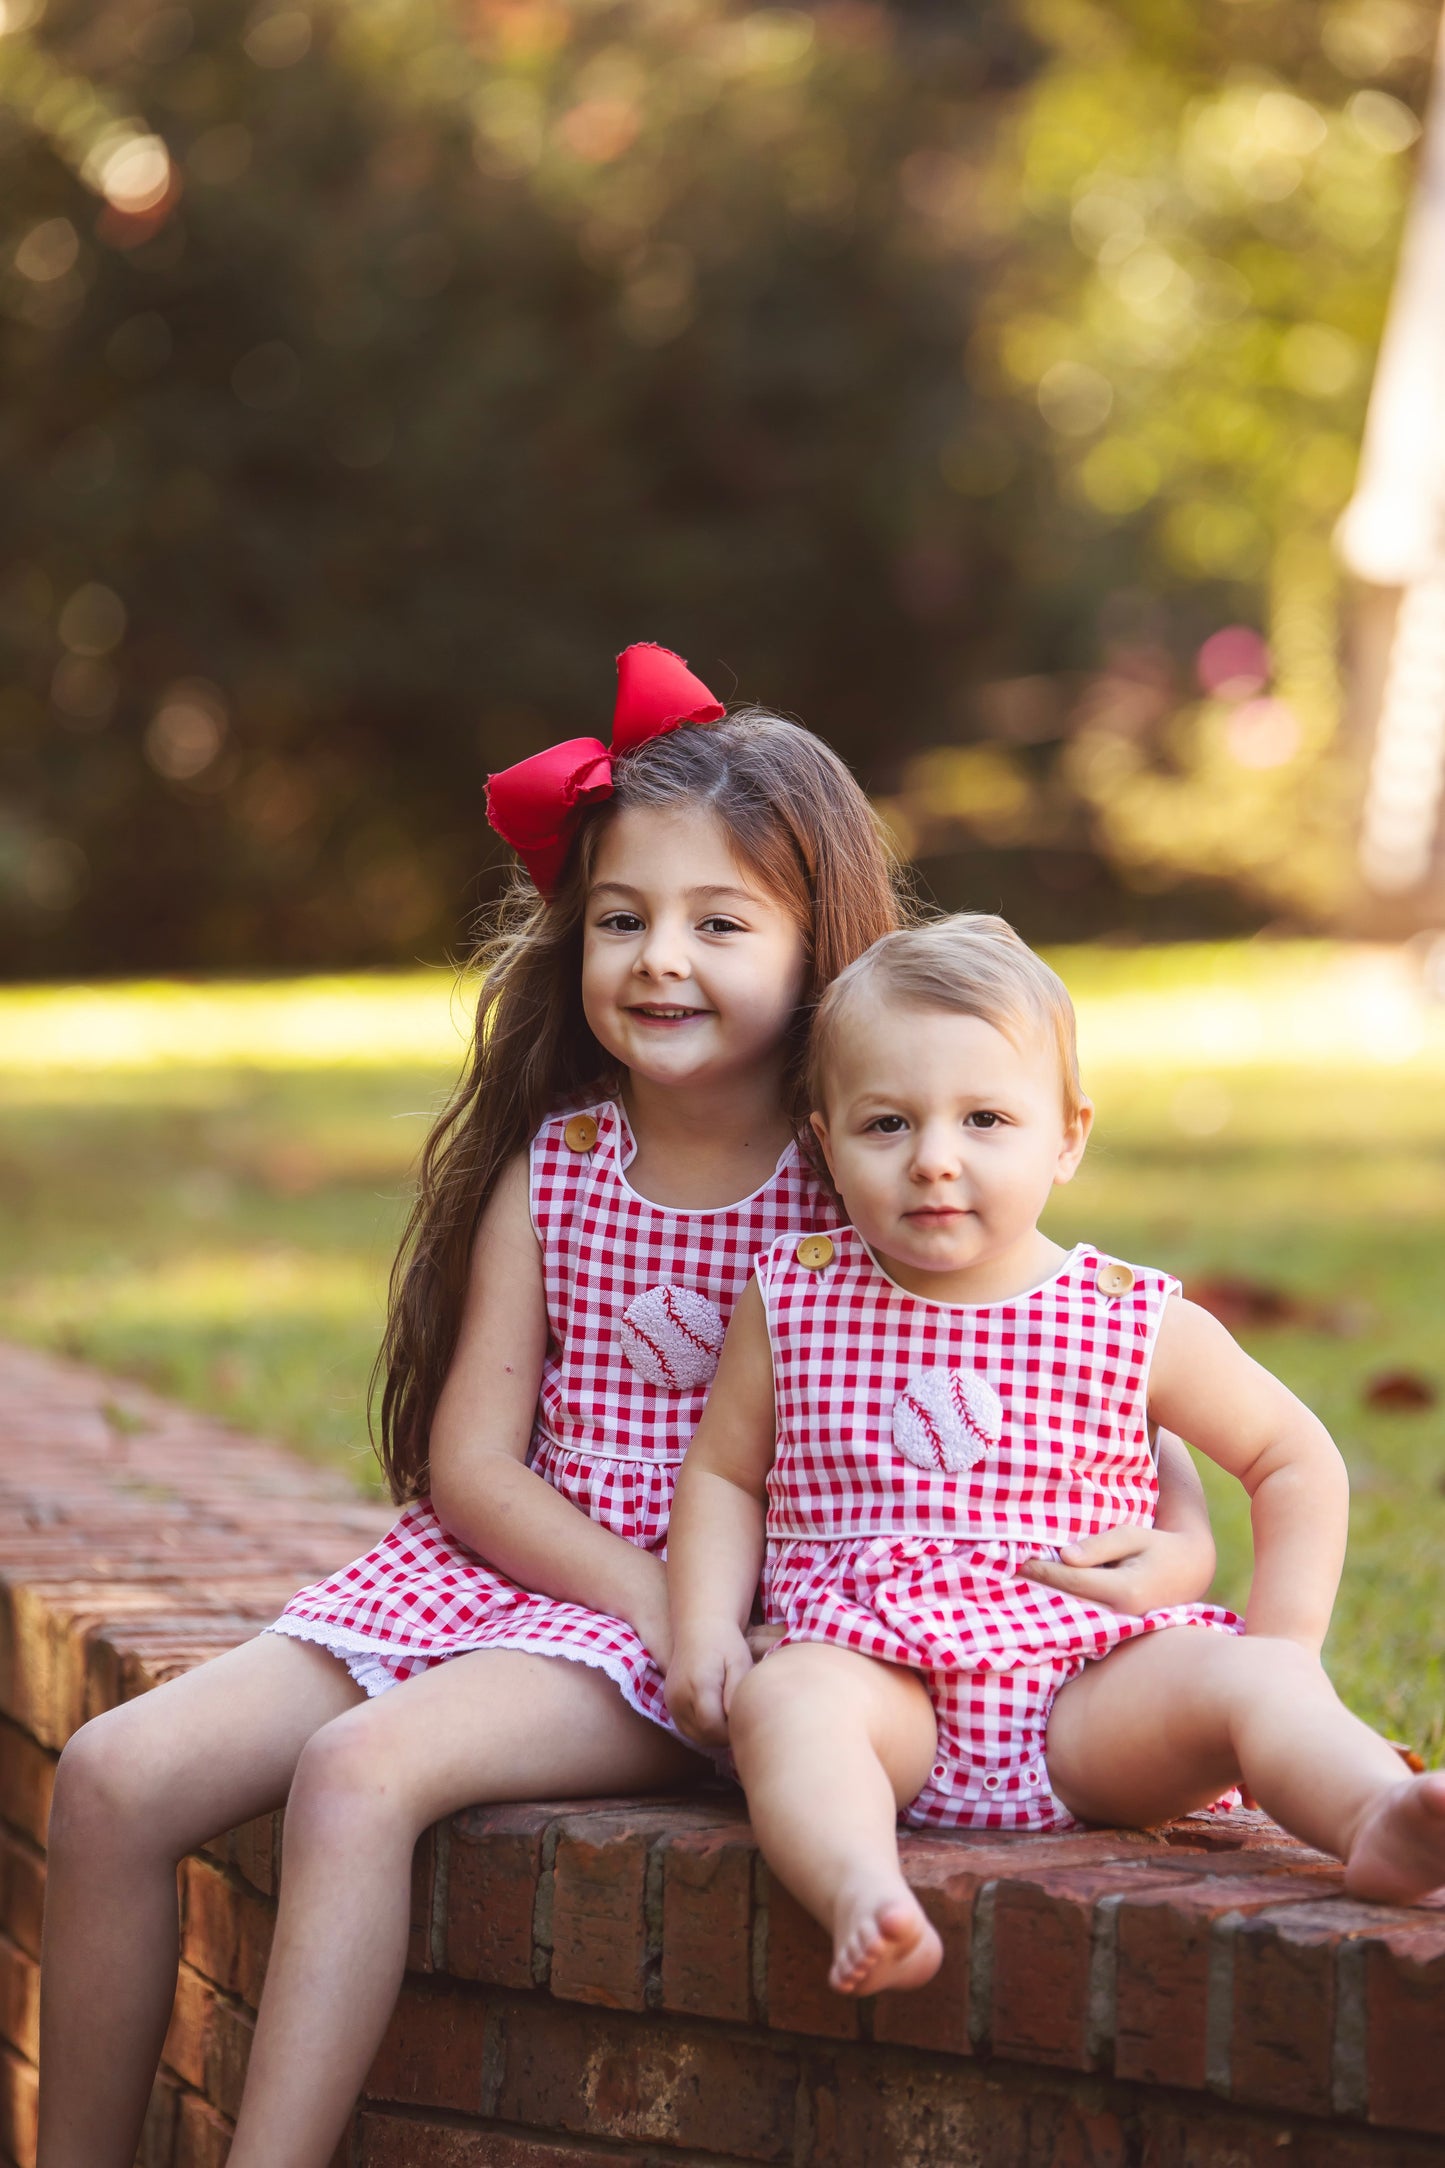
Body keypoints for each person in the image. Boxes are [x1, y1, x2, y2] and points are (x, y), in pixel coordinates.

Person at [37, 660, 1214, 2168]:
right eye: (620, 918)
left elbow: (1067, 1360)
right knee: (113, 1773)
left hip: (717, 1627)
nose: (661, 959)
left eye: (719, 922)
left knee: (357, 1771)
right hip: (525, 1577)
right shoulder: (561, 1167)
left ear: (818, 946)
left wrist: (1176, 1534)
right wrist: (637, 1592)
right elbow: (473, 1465)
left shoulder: (867, 1173)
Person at [665, 913, 1445, 2001]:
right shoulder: (794, 1294)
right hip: (878, 1679)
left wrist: (1289, 1647)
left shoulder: (1124, 1314)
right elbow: (722, 1475)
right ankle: (860, 1890)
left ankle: (1375, 1814)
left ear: (1067, 1136)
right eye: (886, 1123)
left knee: (1253, 1678)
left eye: (985, 1118)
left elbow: (1291, 1457)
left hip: (1092, 1690)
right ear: (826, 1141)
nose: (934, 1158)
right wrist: (704, 1623)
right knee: (787, 1704)